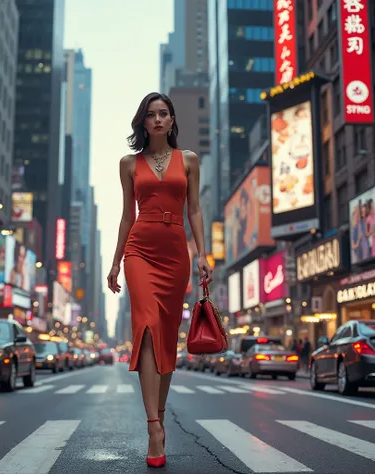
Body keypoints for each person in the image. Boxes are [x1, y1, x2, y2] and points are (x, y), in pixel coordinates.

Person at [107, 92, 212, 468]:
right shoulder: (128, 164)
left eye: (163, 113)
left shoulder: (189, 160)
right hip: (140, 250)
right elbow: (125, 217)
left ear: (171, 120)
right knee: (147, 330)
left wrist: (202, 254)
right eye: (150, 114)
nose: (157, 120)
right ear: (143, 121)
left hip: (175, 255)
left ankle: (160, 416)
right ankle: (154, 428)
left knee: (167, 339)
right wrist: (116, 262)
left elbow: (195, 210)